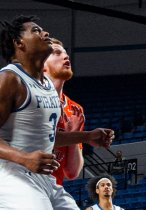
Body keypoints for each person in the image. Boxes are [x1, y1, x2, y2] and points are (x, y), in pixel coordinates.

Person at [0, 15, 115, 209]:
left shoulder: (46, 86)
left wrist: (86, 136)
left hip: (45, 178)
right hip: (11, 175)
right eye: (36, 30)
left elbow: (49, 137)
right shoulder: (9, 79)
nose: (45, 33)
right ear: (19, 43)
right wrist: (24, 158)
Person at [43, 38, 85, 185]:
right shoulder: (26, 97)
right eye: (57, 53)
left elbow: (72, 172)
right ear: (42, 65)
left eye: (66, 53)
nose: (66, 56)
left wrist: (74, 135)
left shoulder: (75, 110)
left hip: (53, 189)